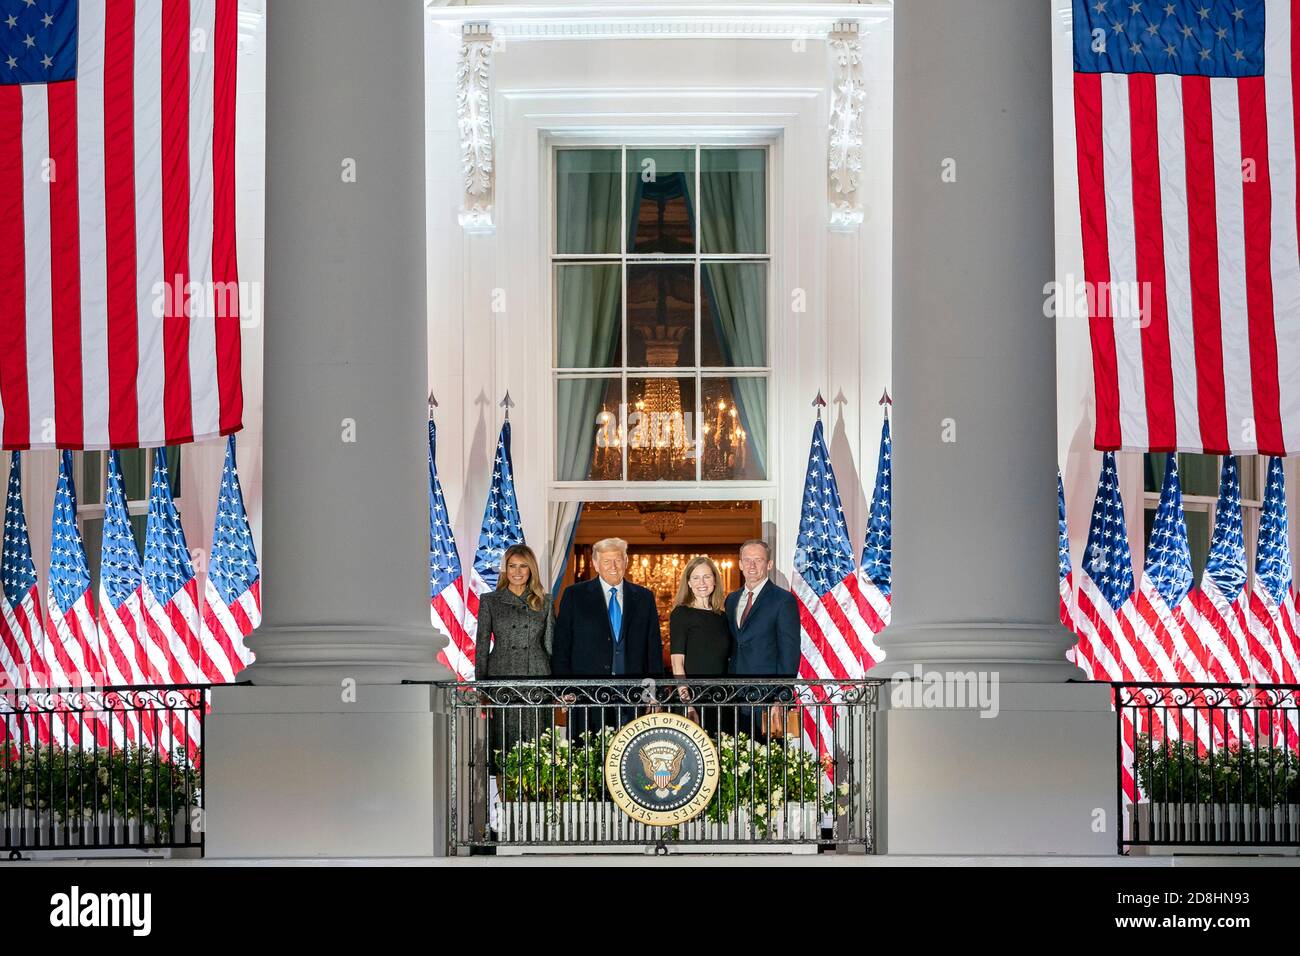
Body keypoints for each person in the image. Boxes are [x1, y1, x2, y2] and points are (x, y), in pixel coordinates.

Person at [553, 537, 664, 740]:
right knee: (588, 757)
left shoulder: (644, 597)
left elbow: (653, 647)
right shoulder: (575, 596)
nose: (613, 566)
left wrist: (653, 690)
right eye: (606, 561)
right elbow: (562, 646)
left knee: (632, 757)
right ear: (595, 564)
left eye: (618, 560)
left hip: (633, 695)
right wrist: (564, 688)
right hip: (586, 694)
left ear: (626, 562)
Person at [474, 545, 555, 773]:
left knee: (538, 745)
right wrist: (483, 689)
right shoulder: (490, 600)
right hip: (502, 679)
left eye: (523, 566)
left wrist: (557, 688)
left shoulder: (545, 601)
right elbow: (481, 646)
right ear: (505, 569)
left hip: (537, 680)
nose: (517, 572)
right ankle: (504, 803)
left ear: (531, 570)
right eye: (512, 566)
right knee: (503, 745)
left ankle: (536, 803)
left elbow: (550, 647)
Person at [725, 538, 800, 740]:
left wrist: (781, 696)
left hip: (767, 697)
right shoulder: (731, 600)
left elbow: (789, 652)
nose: (751, 565)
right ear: (740, 563)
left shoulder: (783, 600)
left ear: (769, 564)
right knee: (736, 758)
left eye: (758, 560)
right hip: (735, 695)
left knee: (769, 762)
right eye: (747, 560)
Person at [668, 556, 732, 733]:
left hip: (722, 696)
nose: (701, 582)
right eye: (695, 578)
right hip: (693, 698)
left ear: (715, 580)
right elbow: (677, 663)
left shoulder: (722, 616)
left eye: (707, 577)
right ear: (688, 582)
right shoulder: (681, 614)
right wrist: (687, 702)